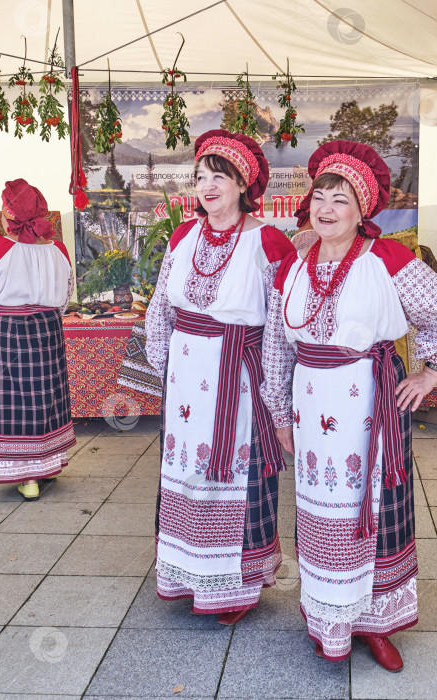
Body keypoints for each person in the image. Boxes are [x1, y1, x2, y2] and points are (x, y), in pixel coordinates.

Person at [261, 140, 437, 670]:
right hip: (312, 408)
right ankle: (327, 619)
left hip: (369, 403)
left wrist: (429, 374)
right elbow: (274, 343)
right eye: (321, 197)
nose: (327, 209)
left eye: (341, 200)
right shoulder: (295, 263)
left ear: (362, 211)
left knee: (374, 510)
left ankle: (377, 623)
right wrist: (278, 413)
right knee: (319, 511)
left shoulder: (389, 258)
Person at [145, 129, 294, 625]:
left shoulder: (268, 240)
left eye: (219, 177)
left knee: (235, 474)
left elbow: (278, 325)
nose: (207, 186)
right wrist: (160, 358)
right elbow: (161, 303)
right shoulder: (183, 234)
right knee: (186, 470)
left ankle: (235, 589)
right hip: (187, 375)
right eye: (200, 177)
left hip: (239, 376)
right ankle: (187, 574)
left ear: (243, 184)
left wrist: (278, 396)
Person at [0, 178, 76, 501]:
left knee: (18, 402)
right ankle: (47, 465)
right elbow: (65, 298)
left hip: (9, 333)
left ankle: (27, 477)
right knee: (44, 398)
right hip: (48, 330)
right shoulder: (59, 250)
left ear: (8, 215)